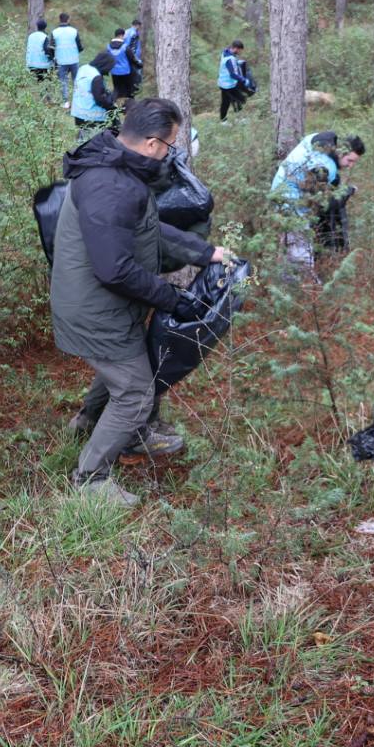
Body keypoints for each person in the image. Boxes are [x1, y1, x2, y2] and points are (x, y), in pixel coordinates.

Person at [50, 97, 234, 505]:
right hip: (96, 310)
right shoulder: (110, 185)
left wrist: (207, 253)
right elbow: (114, 269)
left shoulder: (119, 170)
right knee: (135, 394)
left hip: (107, 306)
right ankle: (91, 482)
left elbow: (151, 230)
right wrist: (173, 299)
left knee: (132, 368)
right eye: (170, 146)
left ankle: (87, 423)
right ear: (152, 144)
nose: (171, 154)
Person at [269, 130, 365, 274]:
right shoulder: (322, 167)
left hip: (280, 193)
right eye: (349, 160)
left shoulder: (318, 139)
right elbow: (323, 204)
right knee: (301, 260)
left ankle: (285, 279)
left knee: (288, 252)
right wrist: (347, 192)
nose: (350, 165)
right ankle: (301, 287)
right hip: (291, 208)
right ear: (340, 152)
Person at [70, 48, 119, 132]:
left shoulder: (83, 68)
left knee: (83, 137)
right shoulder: (96, 77)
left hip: (78, 112)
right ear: (105, 65)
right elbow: (100, 100)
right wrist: (111, 101)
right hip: (91, 115)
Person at [217, 40, 253, 122]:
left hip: (224, 82)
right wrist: (244, 80)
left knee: (227, 101)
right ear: (236, 48)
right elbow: (232, 74)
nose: (240, 52)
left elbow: (230, 67)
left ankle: (224, 120)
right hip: (228, 85)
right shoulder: (230, 59)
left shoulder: (225, 52)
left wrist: (237, 63)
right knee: (240, 99)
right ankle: (239, 119)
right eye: (240, 50)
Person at [52, 12, 82, 106]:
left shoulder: (54, 32)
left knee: (63, 81)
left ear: (59, 19)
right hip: (74, 60)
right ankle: (77, 101)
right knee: (76, 80)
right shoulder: (74, 31)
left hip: (61, 61)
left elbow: (51, 46)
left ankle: (66, 102)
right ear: (68, 19)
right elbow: (80, 46)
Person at [107, 26, 139, 99]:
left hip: (114, 71)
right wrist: (138, 64)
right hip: (125, 72)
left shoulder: (109, 46)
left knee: (117, 89)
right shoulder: (125, 47)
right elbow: (132, 58)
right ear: (121, 35)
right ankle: (128, 106)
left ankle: (114, 104)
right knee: (128, 91)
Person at [25, 18, 54, 83]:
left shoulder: (31, 36)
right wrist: (52, 58)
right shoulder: (44, 37)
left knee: (36, 84)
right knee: (47, 83)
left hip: (31, 64)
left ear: (37, 26)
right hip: (42, 66)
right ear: (45, 27)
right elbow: (47, 50)